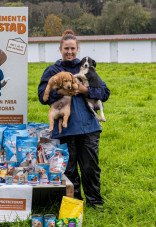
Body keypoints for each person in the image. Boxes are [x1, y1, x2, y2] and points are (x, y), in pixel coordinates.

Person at [37, 30, 110, 210]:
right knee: (69, 170)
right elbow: (42, 96)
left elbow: (105, 93)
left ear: (77, 49)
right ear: (60, 49)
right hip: (65, 129)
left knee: (90, 168)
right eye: (66, 49)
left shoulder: (86, 68)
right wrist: (62, 91)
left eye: (72, 49)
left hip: (88, 128)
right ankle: (74, 203)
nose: (69, 52)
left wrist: (85, 91)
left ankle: (95, 202)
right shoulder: (52, 70)